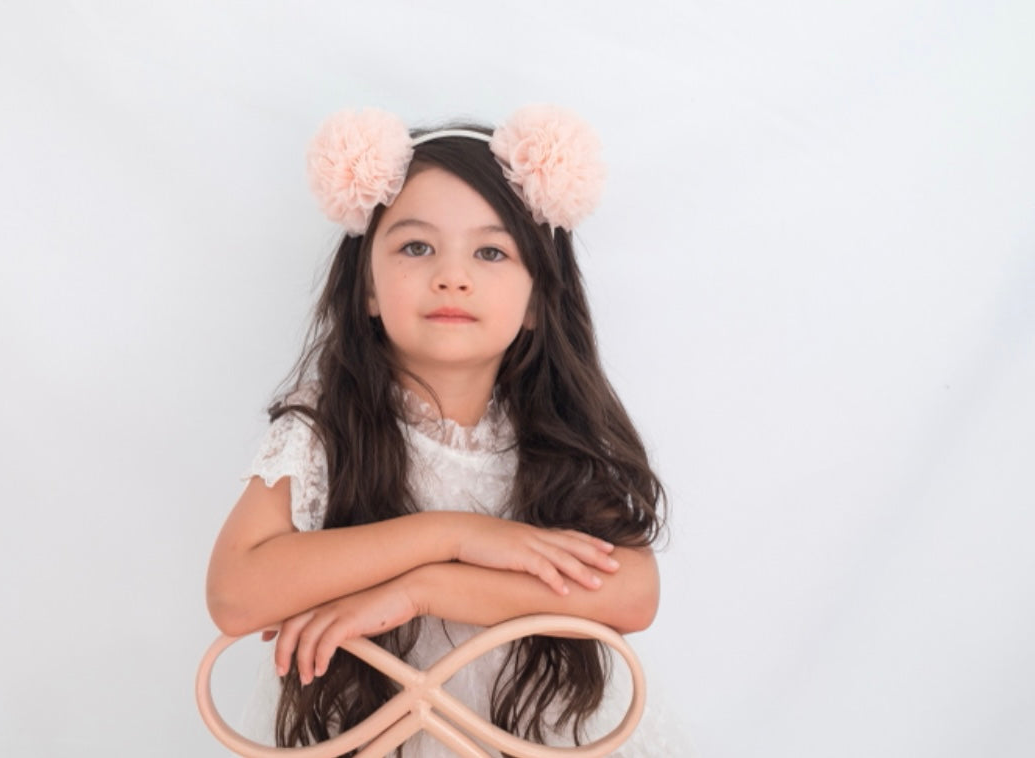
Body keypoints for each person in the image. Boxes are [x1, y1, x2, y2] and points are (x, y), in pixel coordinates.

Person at [207, 106, 692, 756]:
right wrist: (457, 534)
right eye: (416, 246)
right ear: (368, 290)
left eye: (491, 251)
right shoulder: (328, 421)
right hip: (373, 738)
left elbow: (632, 596)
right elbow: (236, 595)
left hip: (533, 735)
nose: (452, 275)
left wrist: (423, 589)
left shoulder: (556, 426)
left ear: (536, 301)